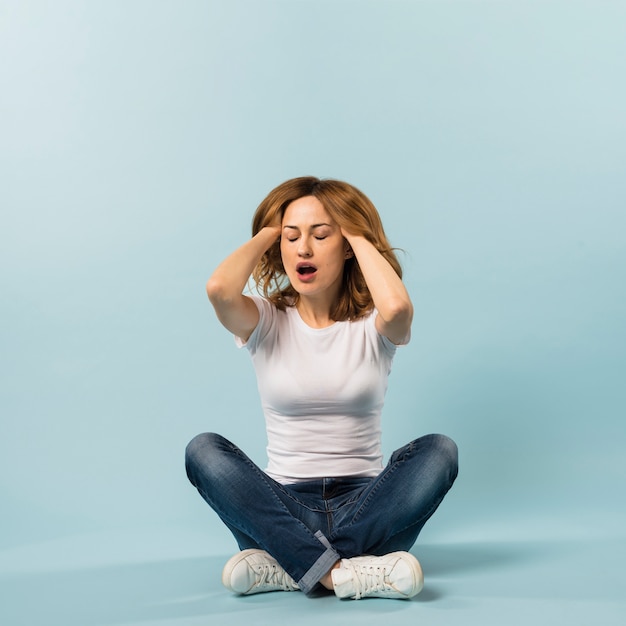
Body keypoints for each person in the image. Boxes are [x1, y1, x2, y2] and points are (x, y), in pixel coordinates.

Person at [185, 176, 458, 600]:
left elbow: (399, 307)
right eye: (292, 238)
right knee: (203, 450)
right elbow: (219, 289)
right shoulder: (264, 319)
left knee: (440, 451)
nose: (303, 249)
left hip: (366, 507)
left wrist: (356, 234)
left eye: (321, 234)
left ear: (346, 245)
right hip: (280, 510)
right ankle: (344, 574)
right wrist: (272, 230)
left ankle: (288, 566)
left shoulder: (374, 324)